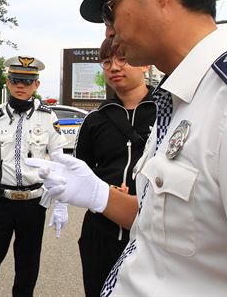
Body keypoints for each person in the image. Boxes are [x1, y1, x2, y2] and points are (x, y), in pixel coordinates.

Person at [25, 0, 227, 296]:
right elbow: (168, 230)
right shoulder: (182, 100)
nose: (109, 32)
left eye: (110, 9)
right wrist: (100, 194)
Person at [0, 56, 69, 297]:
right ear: (8, 82)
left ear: (36, 84)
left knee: (27, 268)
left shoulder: (47, 117)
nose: (21, 85)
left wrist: (62, 203)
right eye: (16, 80)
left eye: (27, 81)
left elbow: (60, 161)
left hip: (33, 204)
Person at [74, 37, 156, 297]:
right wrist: (107, 190)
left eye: (123, 58)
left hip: (153, 234)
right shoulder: (94, 120)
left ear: (145, 64)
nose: (114, 67)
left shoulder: (167, 111)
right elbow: (81, 173)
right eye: (107, 61)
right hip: (101, 231)